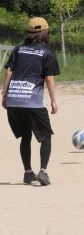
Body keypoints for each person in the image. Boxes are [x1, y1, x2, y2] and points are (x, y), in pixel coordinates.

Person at [1, 17, 59, 186]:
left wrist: (5, 95)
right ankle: (43, 172)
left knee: (25, 136)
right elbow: (49, 78)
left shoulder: (18, 49)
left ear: (28, 33)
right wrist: (54, 101)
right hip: (32, 102)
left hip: (14, 100)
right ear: (46, 33)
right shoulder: (47, 52)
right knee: (46, 136)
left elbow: (8, 73)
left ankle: (27, 172)